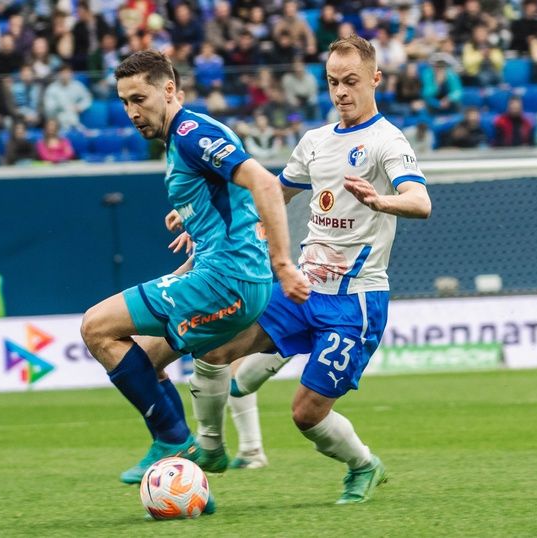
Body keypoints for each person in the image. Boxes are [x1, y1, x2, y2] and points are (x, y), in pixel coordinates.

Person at [184, 34, 431, 505]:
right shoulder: (315, 141)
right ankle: (210, 448)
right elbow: (272, 196)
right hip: (302, 287)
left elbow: (421, 202)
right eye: (333, 82)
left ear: (375, 79)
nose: (341, 91)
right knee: (214, 348)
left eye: (351, 81)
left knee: (306, 415)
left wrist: (381, 201)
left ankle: (364, 465)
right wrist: (208, 219)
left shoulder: (387, 141)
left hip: (355, 302)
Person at [79, 50, 309, 502]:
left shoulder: (190, 133)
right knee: (143, 362)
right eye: (124, 102)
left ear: (169, 91)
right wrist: (194, 220)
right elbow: (232, 206)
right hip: (226, 277)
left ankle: (174, 441)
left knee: (96, 327)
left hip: (227, 281)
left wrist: (283, 264)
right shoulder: (182, 140)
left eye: (139, 99)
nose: (131, 112)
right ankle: (193, 474)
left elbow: (264, 183)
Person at [43, 65, 93, 130]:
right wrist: (62, 106)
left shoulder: (78, 86)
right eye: (62, 73)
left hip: (74, 115)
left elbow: (87, 99)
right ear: (58, 74)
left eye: (67, 73)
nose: (65, 75)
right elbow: (48, 108)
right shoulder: (52, 88)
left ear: (72, 74)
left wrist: (79, 107)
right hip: (58, 119)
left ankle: (78, 128)